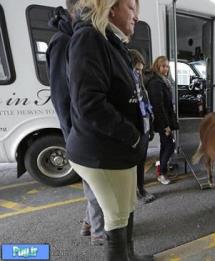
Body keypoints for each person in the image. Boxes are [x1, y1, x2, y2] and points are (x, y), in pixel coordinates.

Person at [67, 0, 153, 260]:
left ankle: (130, 256)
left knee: (126, 207)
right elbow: (89, 104)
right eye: (131, 8)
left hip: (119, 150)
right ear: (111, 8)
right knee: (116, 216)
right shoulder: (89, 39)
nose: (136, 16)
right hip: (104, 152)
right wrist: (134, 135)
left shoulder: (109, 41)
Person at [46, 0, 105, 246]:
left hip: (80, 129)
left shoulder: (73, 36)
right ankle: (100, 234)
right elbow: (62, 94)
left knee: (91, 182)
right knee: (95, 184)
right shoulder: (63, 41)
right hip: (79, 131)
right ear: (76, 8)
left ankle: (89, 223)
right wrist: (74, 134)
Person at [145, 56, 179, 185]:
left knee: (165, 145)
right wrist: (166, 126)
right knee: (170, 146)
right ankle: (161, 173)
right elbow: (158, 106)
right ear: (157, 66)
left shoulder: (163, 80)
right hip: (163, 121)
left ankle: (162, 170)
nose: (166, 68)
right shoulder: (156, 82)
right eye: (163, 66)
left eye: (167, 66)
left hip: (165, 119)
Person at [128, 49, 156, 204]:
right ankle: (136, 191)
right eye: (136, 69)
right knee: (133, 163)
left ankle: (141, 188)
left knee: (141, 160)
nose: (139, 73)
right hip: (133, 130)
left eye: (140, 70)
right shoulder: (127, 83)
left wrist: (150, 127)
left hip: (143, 127)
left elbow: (146, 104)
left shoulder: (140, 82)